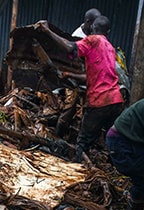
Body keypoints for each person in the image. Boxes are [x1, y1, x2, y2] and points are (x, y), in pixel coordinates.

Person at [35, 15, 124, 160]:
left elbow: (70, 48)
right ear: (108, 32)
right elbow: (93, 76)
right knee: (113, 140)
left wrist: (47, 31)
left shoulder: (93, 40)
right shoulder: (109, 47)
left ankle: (79, 168)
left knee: (83, 142)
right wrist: (70, 75)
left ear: (92, 27)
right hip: (116, 100)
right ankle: (117, 168)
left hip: (100, 100)